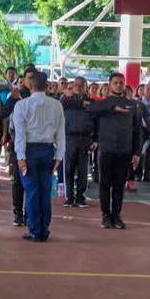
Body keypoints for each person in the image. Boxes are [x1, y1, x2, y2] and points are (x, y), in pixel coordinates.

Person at [12, 71, 65, 242]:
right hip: (48, 151)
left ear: (30, 85)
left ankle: (35, 230)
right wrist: (59, 156)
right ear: (47, 85)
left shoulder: (21, 105)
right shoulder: (57, 105)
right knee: (44, 192)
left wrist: (20, 157)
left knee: (32, 192)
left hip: (29, 151)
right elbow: (61, 134)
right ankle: (44, 229)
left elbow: (20, 134)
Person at [88, 73, 141, 229]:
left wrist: (137, 153)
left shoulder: (132, 105)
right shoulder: (103, 104)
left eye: (121, 83)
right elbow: (90, 109)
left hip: (124, 151)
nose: (119, 85)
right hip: (106, 149)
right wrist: (112, 107)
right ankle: (105, 215)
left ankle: (116, 215)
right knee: (105, 184)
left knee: (119, 185)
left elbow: (137, 130)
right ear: (109, 85)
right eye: (116, 83)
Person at [1, 67, 34, 226]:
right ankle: (18, 213)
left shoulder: (40, 96)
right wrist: (12, 99)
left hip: (35, 144)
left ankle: (29, 213)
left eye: (33, 77)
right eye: (28, 78)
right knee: (18, 182)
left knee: (31, 181)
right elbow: (4, 113)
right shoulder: (16, 95)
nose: (30, 81)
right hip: (17, 142)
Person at [61, 77, 93, 208]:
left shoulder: (90, 102)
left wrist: (94, 138)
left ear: (86, 87)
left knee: (83, 170)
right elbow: (64, 102)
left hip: (85, 138)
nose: (78, 87)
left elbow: (95, 121)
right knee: (68, 169)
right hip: (69, 138)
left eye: (81, 85)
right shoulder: (66, 101)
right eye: (76, 85)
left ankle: (80, 197)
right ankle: (69, 197)